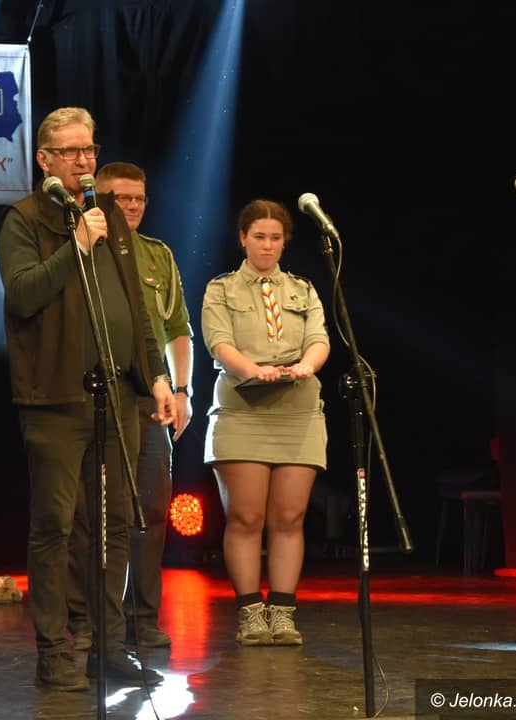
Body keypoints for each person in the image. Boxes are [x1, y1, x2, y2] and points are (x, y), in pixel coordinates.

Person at [0, 107, 175, 691]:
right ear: (44, 159)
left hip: (118, 394)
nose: (83, 161)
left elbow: (138, 308)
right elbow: (23, 295)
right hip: (55, 397)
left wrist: (157, 375)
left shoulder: (109, 217)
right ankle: (54, 651)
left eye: (89, 150)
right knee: (55, 526)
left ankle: (108, 647)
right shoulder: (24, 220)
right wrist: (75, 244)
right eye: (71, 152)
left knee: (116, 523)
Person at [66, 162, 193, 651]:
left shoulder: (157, 254)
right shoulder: (83, 247)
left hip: (150, 396)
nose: (133, 206)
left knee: (152, 508)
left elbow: (177, 328)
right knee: (93, 513)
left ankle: (143, 616)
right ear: (100, 199)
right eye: (122, 198)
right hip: (96, 394)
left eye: (140, 198)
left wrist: (182, 390)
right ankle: (91, 620)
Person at [200, 199, 330, 646]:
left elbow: (319, 339)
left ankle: (283, 613)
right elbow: (219, 343)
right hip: (244, 407)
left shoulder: (303, 290)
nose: (267, 246)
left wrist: (307, 366)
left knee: (289, 516)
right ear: (243, 238)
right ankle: (251, 613)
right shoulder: (221, 289)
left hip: (297, 409)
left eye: (275, 238)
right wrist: (253, 370)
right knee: (247, 516)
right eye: (259, 237)